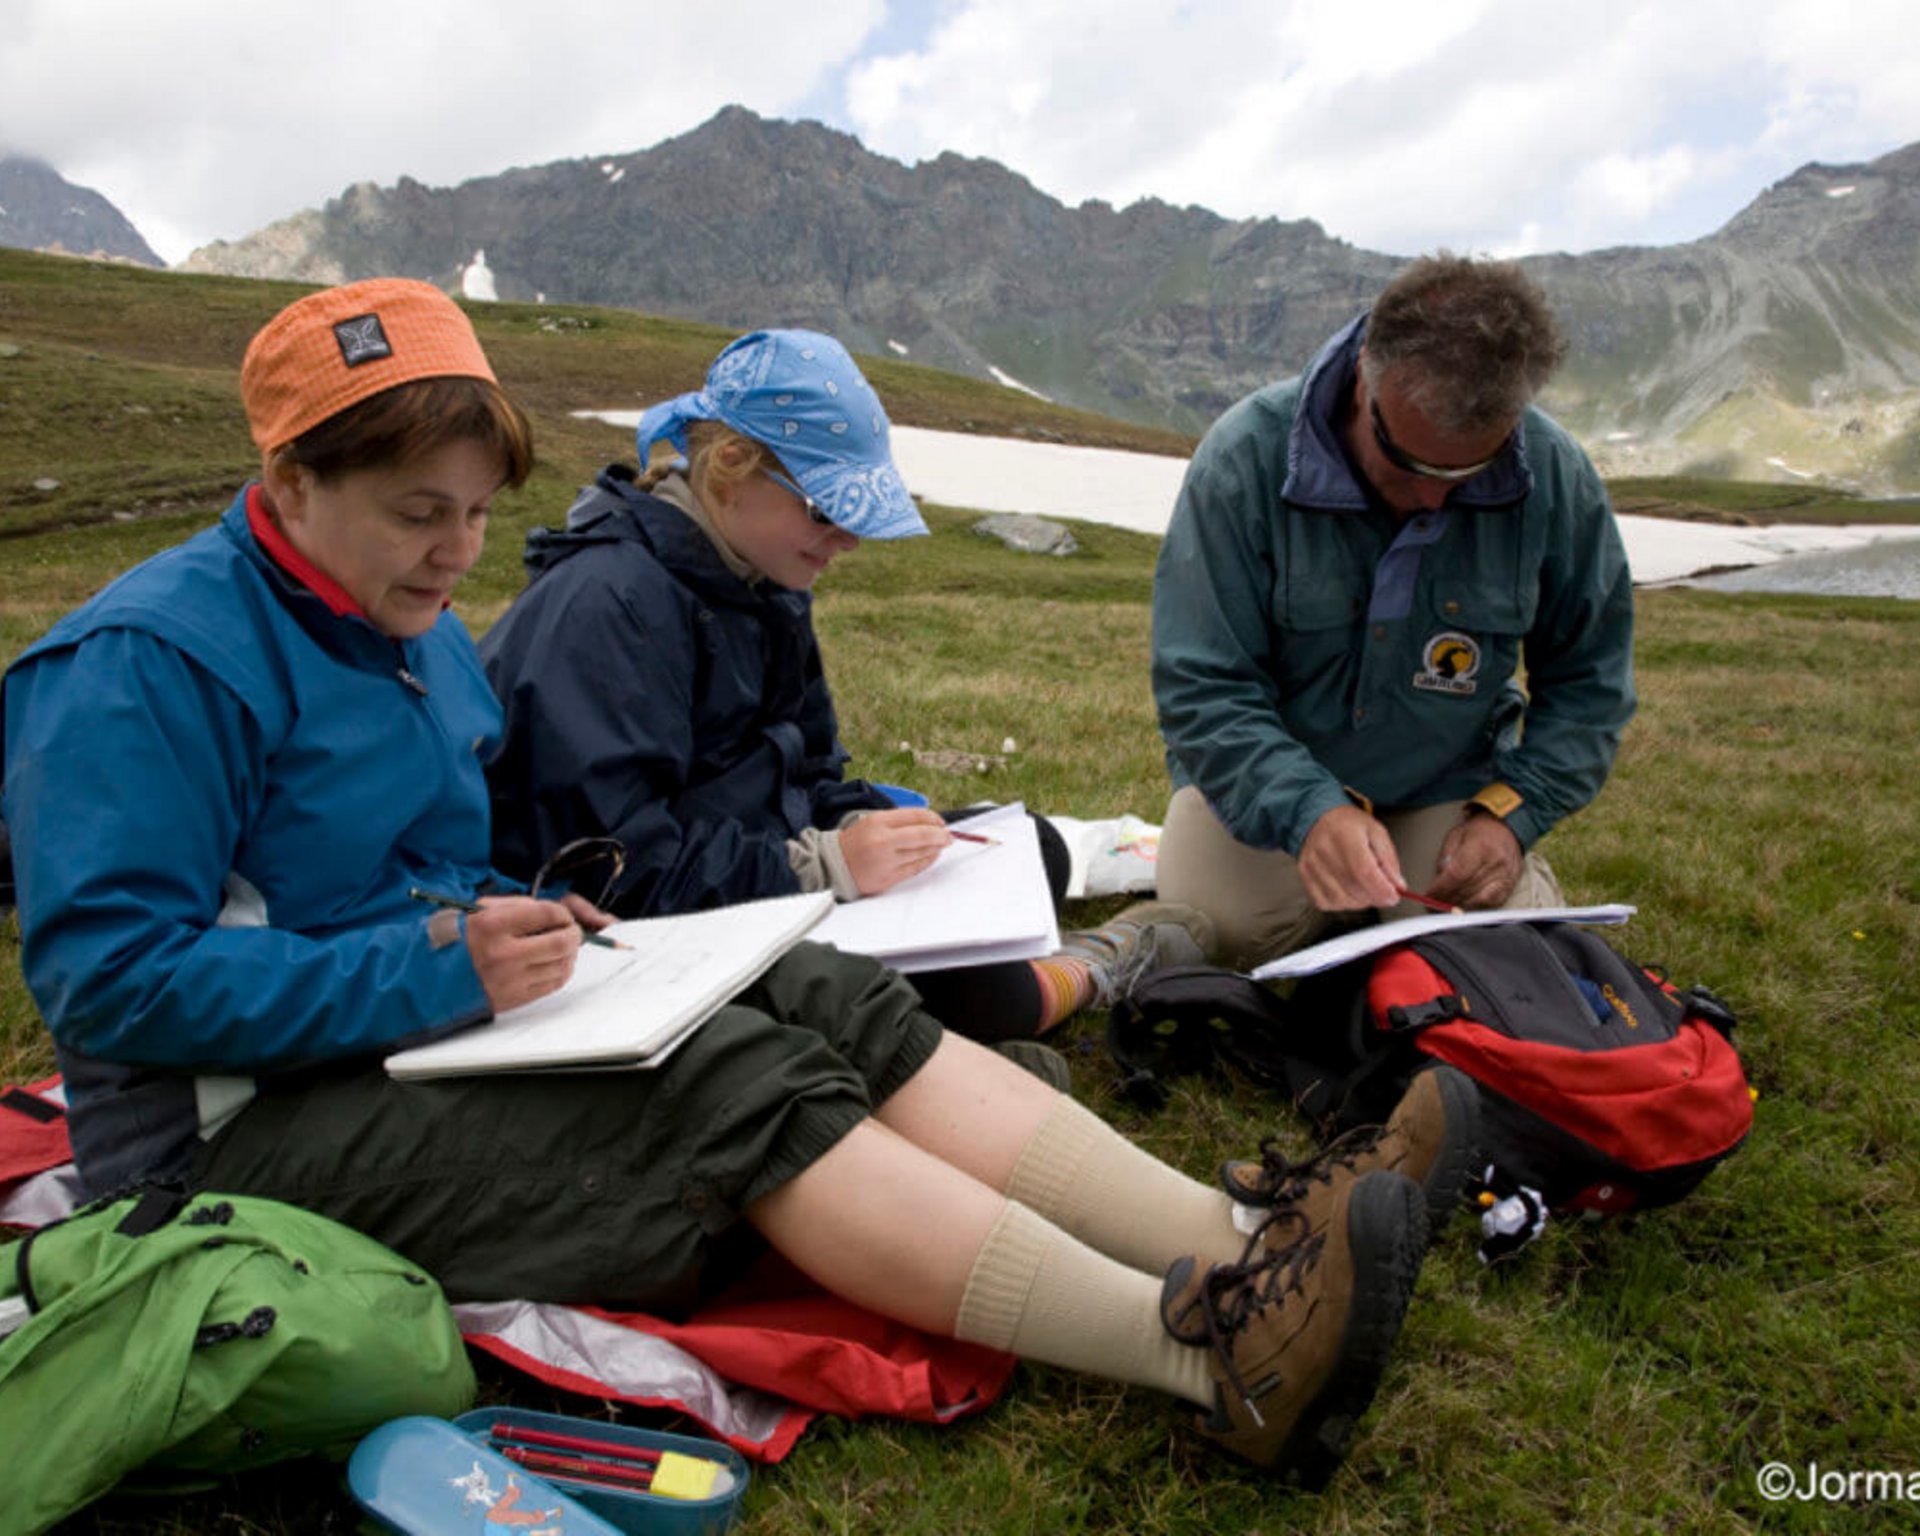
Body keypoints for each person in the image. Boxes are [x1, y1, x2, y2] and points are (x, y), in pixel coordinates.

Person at [1, 279, 1473, 1485]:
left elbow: (426, 863)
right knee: (720, 1083)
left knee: (802, 984)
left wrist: (509, 919)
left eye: (468, 512)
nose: (458, 554)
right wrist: (440, 963)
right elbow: (116, 983)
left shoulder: (415, 631)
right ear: (288, 481)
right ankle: (1213, 1350)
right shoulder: (147, 666)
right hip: (222, 1138)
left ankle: (1250, 1245)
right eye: (414, 513)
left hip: (397, 1031)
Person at [479, 328, 1211, 1044]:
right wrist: (821, 866)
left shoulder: (765, 577)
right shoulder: (609, 606)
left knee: (1025, 848)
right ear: (731, 467)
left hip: (766, 872)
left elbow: (808, 769)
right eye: (829, 510)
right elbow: (614, 876)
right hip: (667, 932)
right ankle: (1090, 969)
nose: (850, 539)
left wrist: (865, 824)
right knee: (989, 993)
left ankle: (994, 993)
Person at [1151, 254, 1637, 969]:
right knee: (1218, 931)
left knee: (1484, 953)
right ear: (1363, 381)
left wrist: (1513, 816)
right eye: (1412, 465)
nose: (1437, 499)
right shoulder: (1242, 459)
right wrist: (1309, 809)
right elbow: (1204, 688)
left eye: (1468, 472)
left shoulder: (1557, 476)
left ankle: (1423, 905)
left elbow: (1592, 685)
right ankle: (1335, 898)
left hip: (1445, 785)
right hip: (1270, 776)